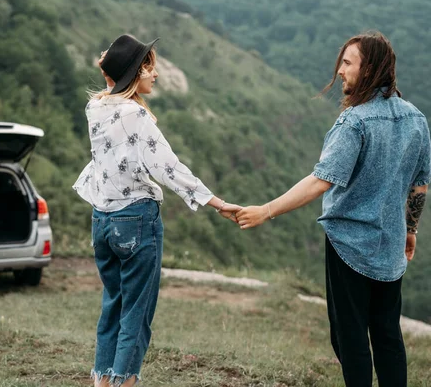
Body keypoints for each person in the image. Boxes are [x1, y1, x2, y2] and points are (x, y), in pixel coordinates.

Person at [235, 31, 430, 386]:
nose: (340, 70)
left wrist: (266, 210)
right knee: (387, 336)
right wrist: (411, 230)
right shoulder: (417, 119)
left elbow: (320, 180)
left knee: (349, 337)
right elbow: (420, 185)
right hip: (391, 246)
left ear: (368, 68)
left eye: (347, 63)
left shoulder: (355, 122)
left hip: (349, 246)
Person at [73, 34, 240, 387]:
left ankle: (102, 382)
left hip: (101, 221)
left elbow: (110, 87)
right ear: (134, 73)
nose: (155, 74)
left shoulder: (96, 108)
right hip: (136, 221)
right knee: (137, 313)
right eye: (148, 67)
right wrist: (216, 202)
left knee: (113, 307)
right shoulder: (136, 116)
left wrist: (112, 71)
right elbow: (169, 168)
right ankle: (125, 382)